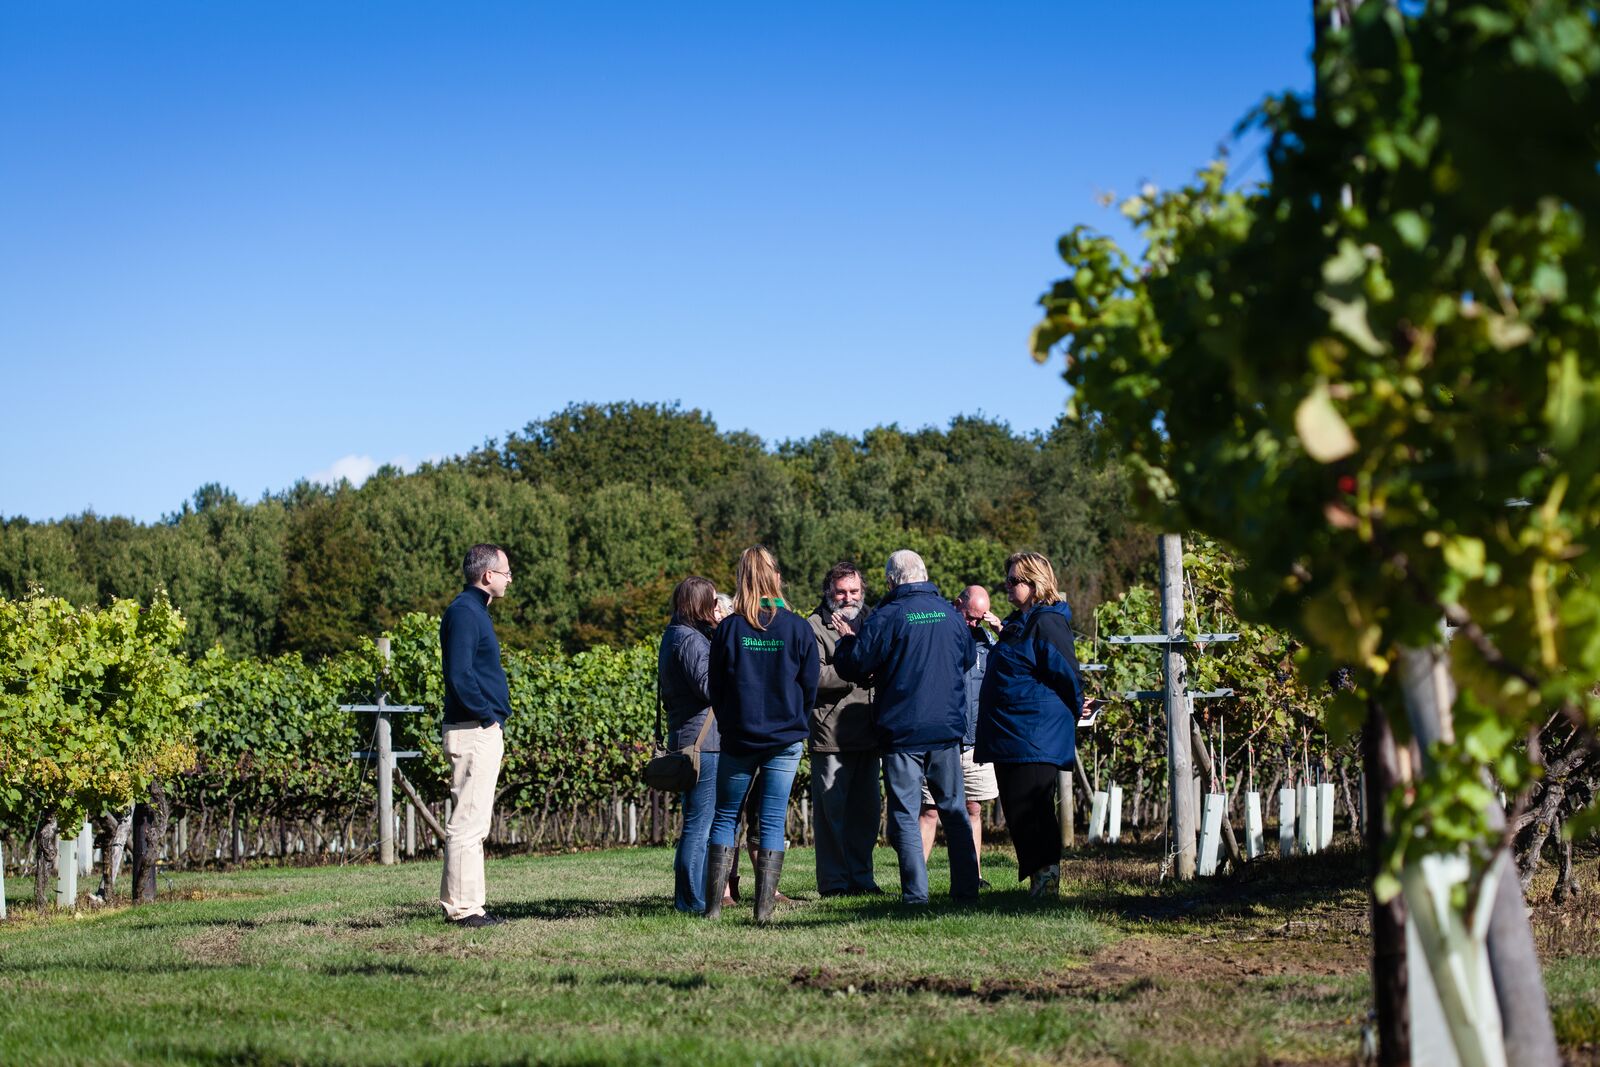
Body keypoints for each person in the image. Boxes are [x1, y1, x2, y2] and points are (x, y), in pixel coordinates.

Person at [833, 550, 979, 904]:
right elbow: (969, 659)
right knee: (954, 809)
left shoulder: (888, 616)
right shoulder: (949, 614)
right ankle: (966, 889)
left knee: (905, 812)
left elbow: (855, 665)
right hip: (945, 728)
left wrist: (848, 641)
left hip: (902, 730)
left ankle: (916, 895)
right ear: (924, 574)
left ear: (891, 580)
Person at [703, 546, 820, 923]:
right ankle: (764, 911)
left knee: (725, 817)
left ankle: (714, 909)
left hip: (739, 738)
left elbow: (716, 687)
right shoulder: (798, 628)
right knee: (771, 821)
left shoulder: (729, 629)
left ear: (741, 579)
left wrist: (731, 720)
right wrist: (793, 721)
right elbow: (809, 685)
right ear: (776, 579)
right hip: (784, 740)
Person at [975, 551, 1084, 899]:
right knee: (1019, 809)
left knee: (1033, 808)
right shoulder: (1019, 623)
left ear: (1035, 583)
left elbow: (1067, 674)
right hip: (1013, 733)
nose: (1007, 586)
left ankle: (1047, 880)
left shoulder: (1047, 623)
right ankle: (1040, 879)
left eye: (1013, 581)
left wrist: (1076, 709)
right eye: (1007, 579)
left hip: (1035, 734)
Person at [439, 543, 514, 927]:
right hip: (473, 730)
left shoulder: (471, 611)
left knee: (473, 821)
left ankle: (470, 904)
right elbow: (460, 674)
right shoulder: (466, 613)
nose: (509, 579)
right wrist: (487, 717)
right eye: (505, 572)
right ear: (488, 576)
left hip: (476, 728)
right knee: (468, 823)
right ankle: (464, 910)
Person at [807, 561, 882, 897]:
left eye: (854, 591)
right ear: (830, 593)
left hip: (870, 730)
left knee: (867, 815)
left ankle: (863, 880)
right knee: (832, 815)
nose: (848, 597)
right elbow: (813, 676)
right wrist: (854, 669)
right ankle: (835, 883)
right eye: (841, 591)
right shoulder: (813, 626)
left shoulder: (874, 621)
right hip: (831, 734)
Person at [919, 585, 1001, 886]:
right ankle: (916, 877)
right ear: (957, 605)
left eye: (980, 619)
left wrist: (1000, 631)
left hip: (975, 739)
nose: (973, 624)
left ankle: (974, 875)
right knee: (929, 809)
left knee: (974, 807)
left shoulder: (988, 641)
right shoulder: (938, 635)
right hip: (942, 738)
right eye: (970, 617)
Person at [658, 576, 721, 913]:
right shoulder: (691, 640)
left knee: (696, 819)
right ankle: (690, 900)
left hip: (688, 736)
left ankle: (691, 896)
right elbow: (709, 688)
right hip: (704, 741)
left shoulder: (673, 635)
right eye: (712, 602)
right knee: (700, 822)